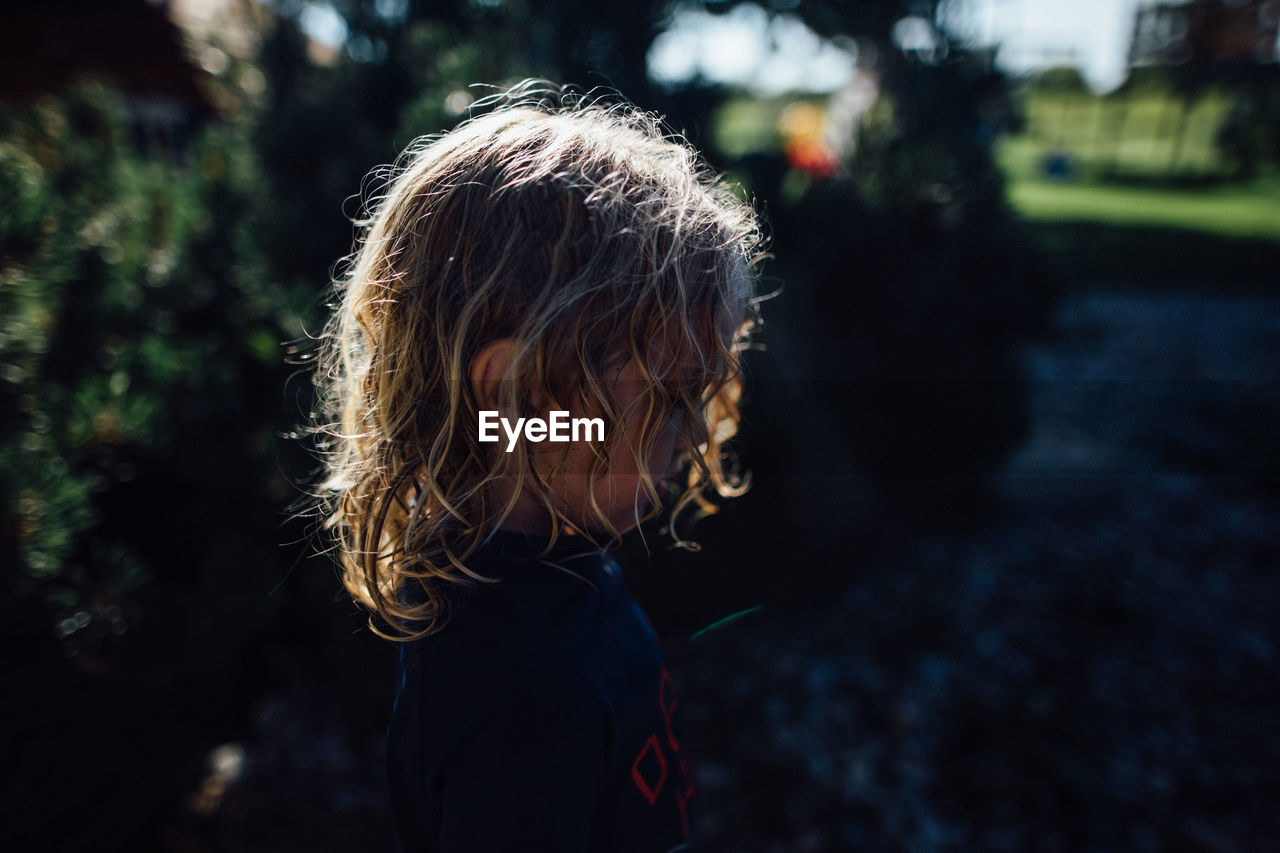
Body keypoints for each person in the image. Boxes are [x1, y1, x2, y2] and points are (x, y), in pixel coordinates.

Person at [309, 80, 766, 852]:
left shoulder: (556, 572)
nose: (692, 434)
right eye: (674, 394)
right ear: (519, 397)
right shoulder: (520, 699)